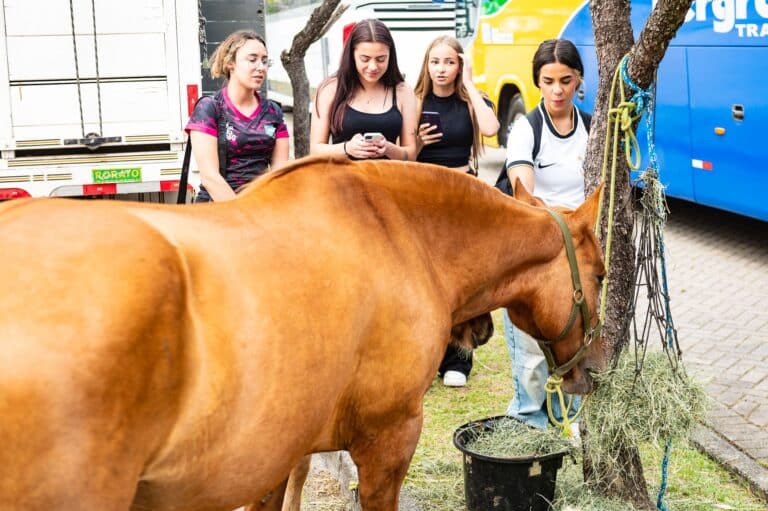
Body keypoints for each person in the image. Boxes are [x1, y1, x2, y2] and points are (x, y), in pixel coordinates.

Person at [503, 38, 591, 428]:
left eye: (566, 80)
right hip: (540, 247)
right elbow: (524, 193)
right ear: (538, 82)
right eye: (549, 81)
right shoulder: (527, 129)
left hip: (581, 252)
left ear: (579, 81)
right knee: (533, 351)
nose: (557, 90)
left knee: (576, 336)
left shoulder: (591, 128)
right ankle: (527, 422)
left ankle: (566, 421)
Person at [414, 35, 499, 387]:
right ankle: (426, 356)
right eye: (435, 62)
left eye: (449, 62)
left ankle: (459, 360)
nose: (441, 69)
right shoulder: (415, 100)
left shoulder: (469, 100)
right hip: (423, 200)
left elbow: (492, 129)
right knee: (425, 281)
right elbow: (404, 151)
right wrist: (419, 142)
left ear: (459, 64)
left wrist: (469, 83)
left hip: (462, 199)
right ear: (426, 64)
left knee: (461, 280)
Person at [186, 30, 289, 202]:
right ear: (230, 63)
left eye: (264, 61)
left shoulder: (273, 112)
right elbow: (210, 177)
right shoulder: (210, 108)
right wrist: (242, 216)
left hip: (262, 208)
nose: (261, 67)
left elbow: (280, 174)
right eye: (252, 59)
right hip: (219, 210)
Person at [310, 19, 418, 161]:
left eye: (381, 59)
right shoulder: (329, 89)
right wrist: (347, 148)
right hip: (343, 180)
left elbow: (410, 155)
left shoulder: (403, 91)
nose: (373, 67)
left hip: (389, 179)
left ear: (390, 56)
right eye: (365, 59)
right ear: (352, 55)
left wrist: (389, 149)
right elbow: (315, 150)